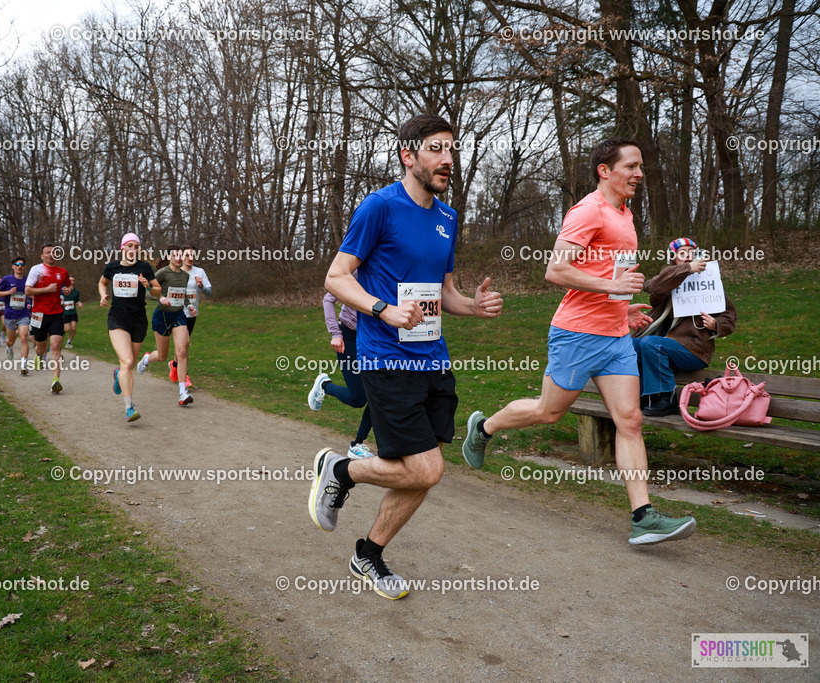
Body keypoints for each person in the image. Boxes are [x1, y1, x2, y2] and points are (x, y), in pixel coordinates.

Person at [462, 137, 698, 546]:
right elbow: (556, 270)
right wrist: (612, 288)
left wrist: (622, 308)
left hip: (616, 337)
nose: (639, 174)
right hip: (577, 334)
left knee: (630, 420)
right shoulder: (588, 210)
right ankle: (484, 427)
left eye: (641, 166)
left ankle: (643, 516)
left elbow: (611, 274)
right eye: (631, 166)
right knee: (548, 412)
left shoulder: (625, 215)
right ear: (604, 170)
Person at [309, 114, 503, 600]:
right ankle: (342, 470)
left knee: (421, 470)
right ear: (408, 155)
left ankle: (368, 554)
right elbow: (336, 277)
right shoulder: (380, 206)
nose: (447, 159)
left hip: (433, 359)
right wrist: (384, 309)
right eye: (436, 148)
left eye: (451, 149)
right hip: (385, 358)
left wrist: (473, 307)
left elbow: (444, 293)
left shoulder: (447, 218)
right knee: (427, 469)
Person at [633, 238, 737, 416]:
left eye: (691, 252)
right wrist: (686, 269)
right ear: (673, 258)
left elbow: (730, 316)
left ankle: (666, 398)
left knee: (651, 344)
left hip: (693, 349)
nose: (688, 256)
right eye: (682, 253)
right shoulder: (666, 280)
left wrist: (716, 324)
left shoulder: (708, 281)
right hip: (663, 345)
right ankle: (643, 396)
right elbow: (652, 287)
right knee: (629, 345)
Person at [307, 272, 375, 459]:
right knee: (358, 399)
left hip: (375, 340)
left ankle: (357, 444)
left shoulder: (390, 272)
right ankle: (324, 386)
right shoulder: (356, 271)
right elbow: (328, 300)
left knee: (379, 393)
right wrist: (335, 333)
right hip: (350, 336)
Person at [100, 233, 160, 421]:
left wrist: (148, 286)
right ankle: (129, 408)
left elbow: (158, 291)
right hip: (118, 318)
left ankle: (119, 374)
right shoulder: (112, 267)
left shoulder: (144, 267)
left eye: (136, 246)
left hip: (138, 320)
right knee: (127, 361)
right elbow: (102, 282)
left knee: (130, 364)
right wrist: (102, 295)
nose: (133, 249)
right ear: (123, 248)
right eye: (129, 245)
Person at [136, 244, 195, 406]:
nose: (178, 258)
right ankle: (147, 359)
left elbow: (182, 294)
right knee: (162, 356)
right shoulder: (162, 273)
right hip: (162, 316)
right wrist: (160, 297)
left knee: (182, 351)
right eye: (174, 255)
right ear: (168, 257)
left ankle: (182, 393)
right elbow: (148, 291)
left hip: (178, 315)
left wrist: (189, 305)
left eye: (180, 255)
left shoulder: (185, 275)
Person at [25, 245, 70, 393]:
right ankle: (38, 356)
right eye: (47, 252)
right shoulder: (36, 270)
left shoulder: (62, 271)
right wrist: (46, 289)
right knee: (41, 347)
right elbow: (27, 290)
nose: (51, 254)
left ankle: (56, 380)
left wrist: (67, 290)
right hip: (39, 314)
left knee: (56, 346)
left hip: (56, 314)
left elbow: (68, 285)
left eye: (54, 252)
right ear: (42, 256)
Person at [168, 246, 212, 388]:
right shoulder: (175, 271)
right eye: (187, 255)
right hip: (177, 312)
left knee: (182, 345)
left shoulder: (199, 272)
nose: (190, 258)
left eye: (193, 255)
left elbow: (209, 292)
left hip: (192, 313)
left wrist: (201, 286)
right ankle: (185, 376)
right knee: (184, 345)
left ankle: (174, 365)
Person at [0, 257, 31, 376]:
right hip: (10, 315)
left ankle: (24, 365)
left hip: (23, 314)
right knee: (11, 341)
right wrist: (8, 292)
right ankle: (9, 347)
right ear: (13, 266)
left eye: (22, 264)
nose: (19, 266)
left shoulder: (28, 280)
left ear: (24, 267)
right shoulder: (6, 279)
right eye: (17, 264)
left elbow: (31, 293)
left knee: (24, 337)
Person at [61, 276, 81, 349]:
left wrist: (79, 304)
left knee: (73, 328)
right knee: (66, 329)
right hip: (65, 313)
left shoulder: (76, 291)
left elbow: (77, 300)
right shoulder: (63, 290)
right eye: (71, 280)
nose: (72, 282)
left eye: (73, 280)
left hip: (73, 312)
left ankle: (68, 342)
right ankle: (60, 335)